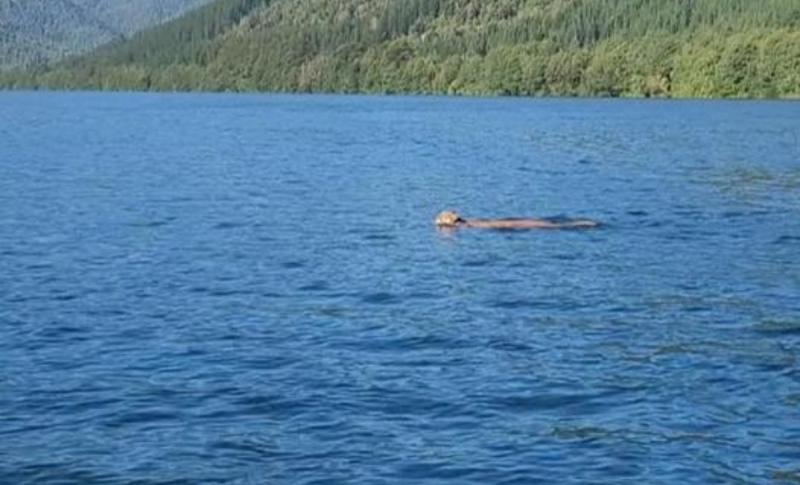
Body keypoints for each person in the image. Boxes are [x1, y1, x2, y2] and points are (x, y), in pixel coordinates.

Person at [434, 210, 598, 230]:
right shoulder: (469, 222)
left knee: (548, 226)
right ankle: (581, 223)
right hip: (502, 223)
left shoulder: (468, 225)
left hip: (506, 224)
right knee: (546, 225)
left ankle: (582, 224)